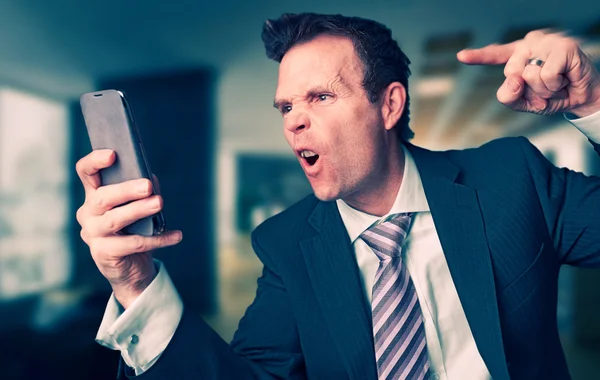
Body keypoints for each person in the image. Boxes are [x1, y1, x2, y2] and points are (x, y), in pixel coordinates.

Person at [75, 13, 600, 380]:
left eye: (320, 97)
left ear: (389, 105)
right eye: (285, 107)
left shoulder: (511, 179)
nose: (295, 119)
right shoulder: (285, 245)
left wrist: (595, 102)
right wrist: (136, 283)